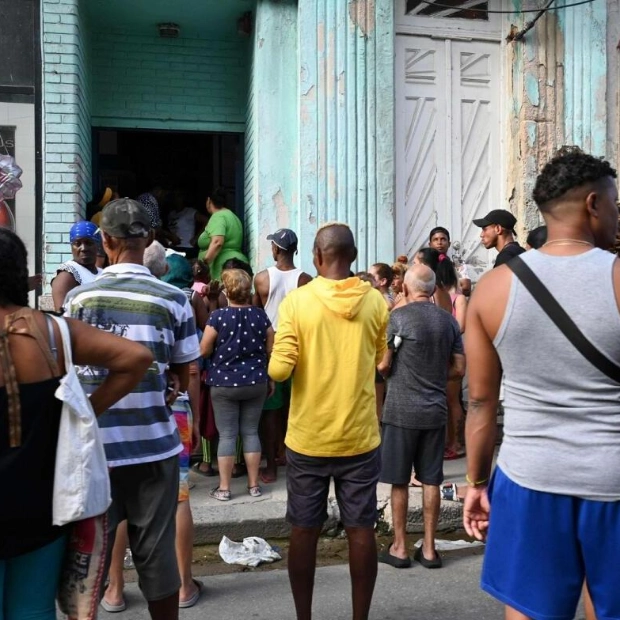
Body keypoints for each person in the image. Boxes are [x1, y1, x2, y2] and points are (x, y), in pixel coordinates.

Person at [463, 147, 620, 620]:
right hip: (612, 477)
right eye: (615, 204)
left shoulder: (493, 289)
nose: (618, 216)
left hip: (529, 475)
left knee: (530, 610)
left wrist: (475, 482)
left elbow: (481, 403)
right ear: (593, 204)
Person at [0, 229, 153, 620]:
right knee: (33, 610)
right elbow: (135, 358)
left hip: (42, 507)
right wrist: (83, 410)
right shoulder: (52, 332)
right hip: (44, 504)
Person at [64, 198, 200, 620]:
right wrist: (170, 382)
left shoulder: (80, 299)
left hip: (94, 449)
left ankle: (111, 597)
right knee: (157, 562)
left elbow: (68, 374)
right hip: (153, 449)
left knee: (86, 563)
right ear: (150, 239)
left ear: (105, 240)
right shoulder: (174, 299)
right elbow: (184, 370)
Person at [269, 223, 388, 620]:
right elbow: (379, 359)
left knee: (304, 530)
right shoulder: (375, 302)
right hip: (360, 436)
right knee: (361, 530)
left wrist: (277, 354)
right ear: (352, 257)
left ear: (317, 258)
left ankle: (305, 617)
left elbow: (281, 371)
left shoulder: (297, 303)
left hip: (308, 439)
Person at [377, 265, 464, 570]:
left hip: (401, 411)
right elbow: (459, 369)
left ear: (405, 289)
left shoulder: (397, 318)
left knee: (400, 482)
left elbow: (384, 366)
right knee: (431, 480)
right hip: (434, 411)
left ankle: (400, 547)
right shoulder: (448, 321)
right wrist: (434, 374)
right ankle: (429, 549)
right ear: (432, 289)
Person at [200, 268, 274, 501]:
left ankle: (224, 488)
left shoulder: (218, 317)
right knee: (251, 432)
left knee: (228, 435)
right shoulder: (261, 316)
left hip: (223, 384)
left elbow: (204, 349)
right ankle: (253, 486)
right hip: (255, 381)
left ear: (227, 291)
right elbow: (271, 347)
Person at [253, 228, 312, 483]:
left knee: (271, 410)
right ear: (295, 250)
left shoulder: (262, 278)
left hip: (273, 347)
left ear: (275, 250)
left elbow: (256, 314)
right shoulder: (306, 279)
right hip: (299, 347)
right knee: (296, 406)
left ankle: (271, 466)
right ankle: (290, 455)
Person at [435, 254, 467, 459]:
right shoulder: (443, 298)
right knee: (446, 400)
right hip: (442, 352)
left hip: (453, 353)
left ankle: (457, 443)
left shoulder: (458, 298)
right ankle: (449, 441)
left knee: (453, 399)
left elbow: (461, 326)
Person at [197, 187, 248, 281]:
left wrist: (203, 264)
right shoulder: (233, 216)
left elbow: (217, 242)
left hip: (223, 269)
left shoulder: (218, 216)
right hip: (235, 266)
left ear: (208, 201)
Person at [51, 221, 102, 312]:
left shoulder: (103, 273)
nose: (83, 248)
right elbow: (62, 317)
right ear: (71, 247)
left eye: (89, 243)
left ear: (98, 245)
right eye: (77, 244)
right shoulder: (67, 275)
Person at [429, 226, 472, 296]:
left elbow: (466, 287)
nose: (439, 243)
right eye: (435, 239)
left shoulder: (457, 264)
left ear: (449, 244)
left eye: (443, 239)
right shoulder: (425, 263)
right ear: (430, 245)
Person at [167, 191, 208, 259]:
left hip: (187, 248)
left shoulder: (190, 212)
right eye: (175, 197)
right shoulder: (171, 214)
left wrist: (196, 238)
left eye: (179, 196)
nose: (176, 199)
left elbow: (207, 221)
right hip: (173, 247)